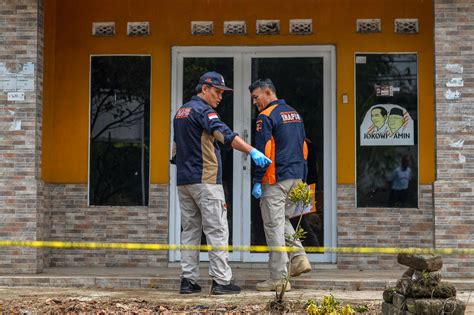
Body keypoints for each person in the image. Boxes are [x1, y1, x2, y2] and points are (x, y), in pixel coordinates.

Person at [172, 71, 271, 295]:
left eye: (222, 93)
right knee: (217, 230)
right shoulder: (204, 111)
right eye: (217, 92)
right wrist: (252, 150)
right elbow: (224, 135)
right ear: (204, 88)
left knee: (190, 231)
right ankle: (221, 282)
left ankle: (188, 281)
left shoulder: (181, 112)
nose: (220, 97)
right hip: (206, 181)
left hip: (184, 181)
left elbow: (176, 148)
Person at [249, 78, 312, 292]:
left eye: (256, 97)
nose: (255, 102)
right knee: (281, 220)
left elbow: (264, 152)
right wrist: (303, 177)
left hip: (275, 179)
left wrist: (258, 181)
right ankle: (298, 258)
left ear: (268, 92)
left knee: (272, 226)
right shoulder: (294, 113)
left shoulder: (265, 117)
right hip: (295, 176)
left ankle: (279, 278)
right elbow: (304, 146)